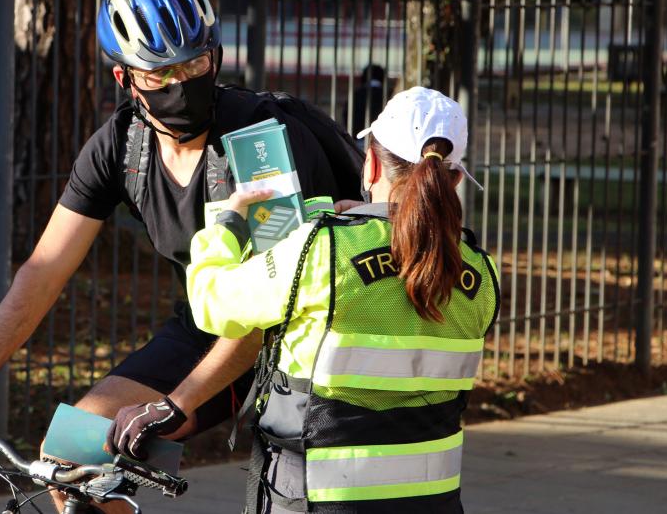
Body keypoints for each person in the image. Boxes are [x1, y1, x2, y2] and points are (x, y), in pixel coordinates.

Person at [0, 0, 359, 513]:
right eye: (162, 72)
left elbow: (272, 304)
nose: (183, 83)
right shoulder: (121, 147)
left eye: (196, 64)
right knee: (72, 454)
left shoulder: (257, 145)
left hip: (295, 335)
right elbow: (44, 270)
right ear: (125, 78)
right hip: (208, 327)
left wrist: (178, 404)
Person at [170, 87, 500, 513]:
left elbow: (211, 301)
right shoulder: (482, 275)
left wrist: (229, 224)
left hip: (317, 501)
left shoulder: (323, 252)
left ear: (373, 163)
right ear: (454, 179)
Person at [343, 63, 386, 148]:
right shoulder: (387, 94)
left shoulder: (355, 95)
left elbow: (346, 115)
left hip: (357, 142)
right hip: (382, 145)